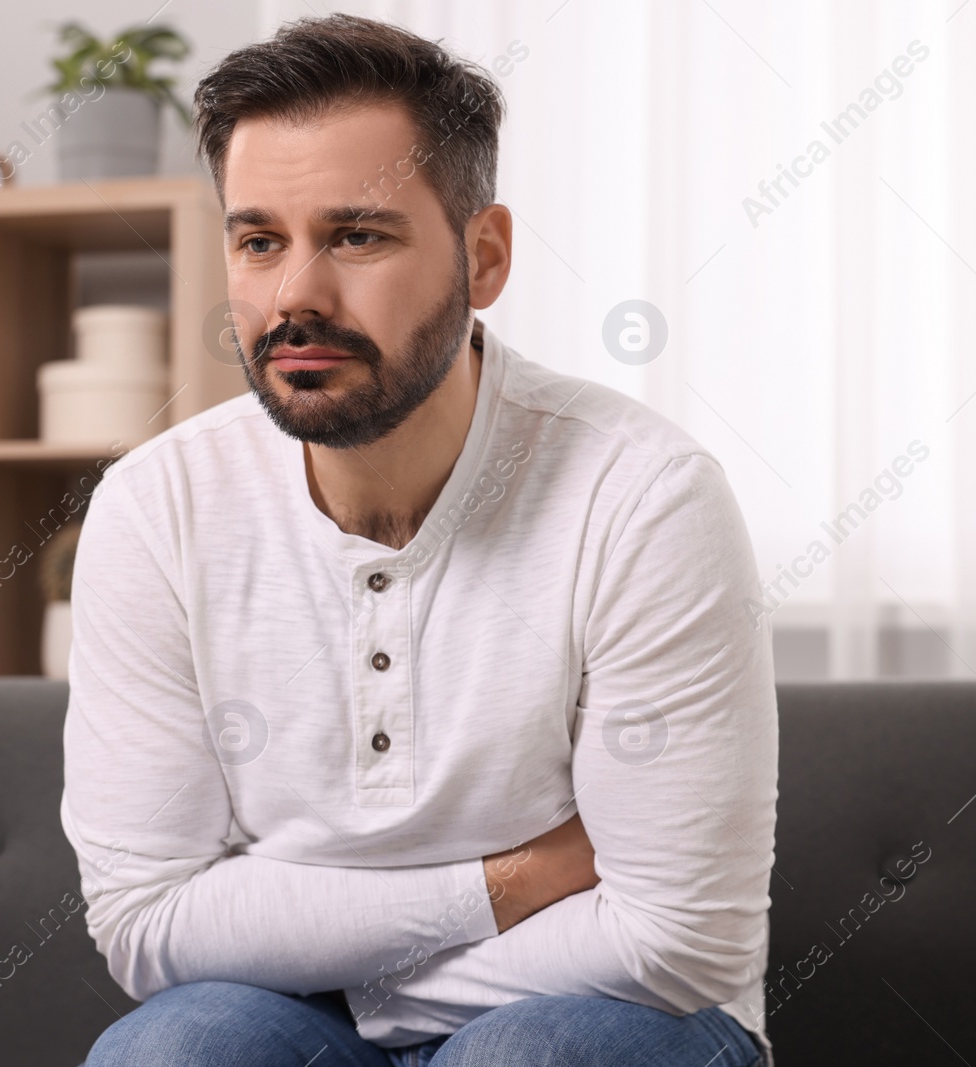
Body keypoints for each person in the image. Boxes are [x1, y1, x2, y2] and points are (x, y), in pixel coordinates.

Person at [61, 13, 778, 1066]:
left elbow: (675, 942)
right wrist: (512, 880)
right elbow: (145, 924)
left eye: (357, 235)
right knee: (172, 1054)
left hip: (616, 1016)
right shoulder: (154, 506)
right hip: (298, 1017)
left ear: (482, 257)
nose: (294, 295)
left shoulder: (643, 498)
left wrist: (364, 998)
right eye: (259, 239)